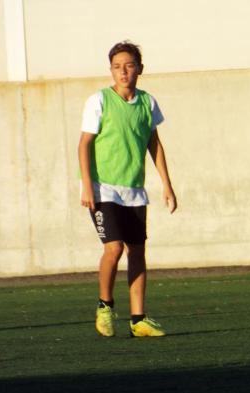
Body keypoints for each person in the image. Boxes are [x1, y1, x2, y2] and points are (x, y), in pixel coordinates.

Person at [78, 41, 177, 338]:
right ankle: (105, 306)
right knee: (115, 247)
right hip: (103, 187)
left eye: (129, 65)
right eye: (117, 66)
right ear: (111, 70)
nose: (123, 71)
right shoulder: (99, 100)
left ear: (139, 69)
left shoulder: (148, 103)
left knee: (137, 251)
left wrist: (167, 185)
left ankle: (138, 319)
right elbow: (84, 144)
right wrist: (87, 186)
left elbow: (154, 144)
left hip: (133, 189)